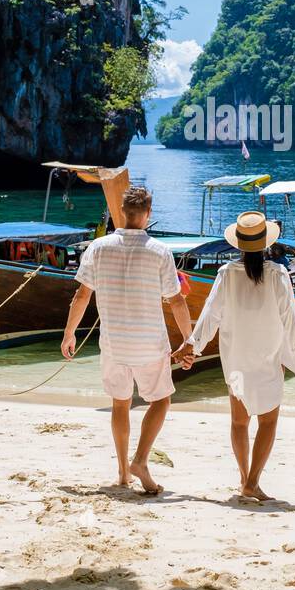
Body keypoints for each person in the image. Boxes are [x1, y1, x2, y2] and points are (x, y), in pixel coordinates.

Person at [174, 210, 295, 502]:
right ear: (266, 243)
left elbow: (210, 316)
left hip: (235, 361)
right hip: (267, 359)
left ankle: (244, 480)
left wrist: (192, 345)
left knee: (240, 422)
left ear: (238, 244)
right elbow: (290, 318)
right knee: (267, 421)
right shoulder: (277, 274)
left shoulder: (226, 274)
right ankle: (252, 482)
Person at [61, 185, 192, 495]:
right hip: (149, 343)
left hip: (114, 343)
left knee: (120, 404)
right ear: (148, 214)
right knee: (160, 400)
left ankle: (122, 473)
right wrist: (188, 339)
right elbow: (176, 302)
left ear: (122, 213)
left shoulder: (98, 248)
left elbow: (81, 295)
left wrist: (69, 333)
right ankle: (141, 460)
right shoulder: (160, 251)